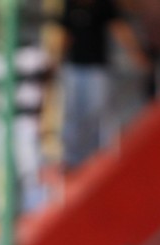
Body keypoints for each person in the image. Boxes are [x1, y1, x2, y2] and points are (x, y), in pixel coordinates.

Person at [51, 0, 147, 170]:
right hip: (74, 68)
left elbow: (119, 29)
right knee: (74, 113)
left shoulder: (103, 4)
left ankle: (101, 156)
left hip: (97, 69)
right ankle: (73, 159)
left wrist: (136, 55)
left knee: (99, 112)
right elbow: (65, 34)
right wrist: (56, 61)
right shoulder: (71, 4)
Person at [0, 27, 54, 216]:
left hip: (26, 118)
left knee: (29, 165)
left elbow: (48, 79)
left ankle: (36, 210)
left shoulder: (33, 53)